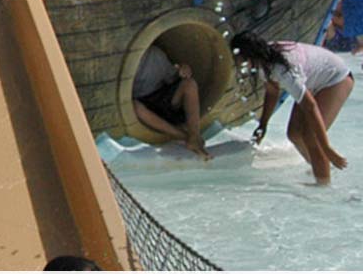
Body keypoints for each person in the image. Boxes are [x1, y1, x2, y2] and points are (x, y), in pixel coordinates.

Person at [231, 31, 353, 185]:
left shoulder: (283, 69)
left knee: (310, 136)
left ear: (250, 56)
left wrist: (327, 148)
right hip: (314, 81)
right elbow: (272, 90)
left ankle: (324, 189)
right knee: (294, 133)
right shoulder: (263, 59)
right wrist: (263, 125)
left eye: (239, 59)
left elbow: (310, 107)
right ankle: (321, 168)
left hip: (336, 79)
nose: (237, 63)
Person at [132, 44, 211, 160]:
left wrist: (182, 70)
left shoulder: (154, 54)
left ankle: (195, 133)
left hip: (162, 96)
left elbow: (172, 77)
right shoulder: (122, 59)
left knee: (190, 84)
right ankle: (185, 137)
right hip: (143, 102)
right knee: (135, 107)